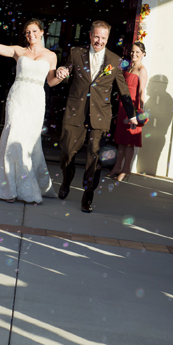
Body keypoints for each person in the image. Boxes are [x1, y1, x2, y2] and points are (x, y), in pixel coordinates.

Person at [48, 21, 137, 213]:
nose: (99, 41)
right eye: (97, 37)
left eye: (103, 38)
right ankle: (66, 180)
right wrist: (63, 71)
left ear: (107, 38)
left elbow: (123, 91)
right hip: (75, 112)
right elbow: (67, 69)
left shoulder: (114, 60)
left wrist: (132, 115)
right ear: (90, 36)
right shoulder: (75, 53)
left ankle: (87, 196)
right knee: (67, 153)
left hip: (100, 116)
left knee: (94, 158)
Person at [0, 15, 55, 203]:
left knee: (28, 142)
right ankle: (6, 188)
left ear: (42, 32)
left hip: (36, 101)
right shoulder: (19, 51)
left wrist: (61, 74)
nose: (31, 35)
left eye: (34, 31)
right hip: (18, 98)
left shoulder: (51, 55)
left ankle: (26, 186)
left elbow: (51, 81)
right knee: (13, 137)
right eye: (28, 33)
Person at [109, 41, 149, 182]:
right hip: (122, 106)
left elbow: (142, 91)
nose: (134, 54)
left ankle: (126, 170)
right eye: (132, 51)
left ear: (143, 54)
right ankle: (117, 167)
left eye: (137, 52)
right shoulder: (128, 67)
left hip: (132, 106)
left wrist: (141, 111)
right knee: (121, 139)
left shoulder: (142, 70)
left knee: (130, 140)